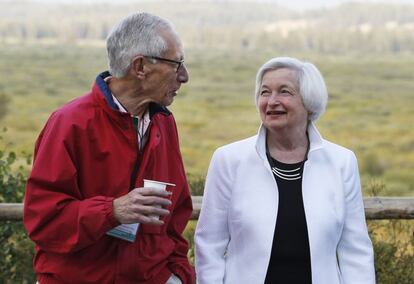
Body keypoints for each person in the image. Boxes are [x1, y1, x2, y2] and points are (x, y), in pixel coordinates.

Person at [23, 12, 195, 284]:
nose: (184, 76)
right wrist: (112, 211)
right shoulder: (69, 123)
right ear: (140, 67)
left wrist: (178, 275)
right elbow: (43, 221)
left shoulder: (164, 123)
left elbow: (177, 216)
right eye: (177, 64)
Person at [195, 57, 375, 284]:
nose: (271, 101)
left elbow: (356, 251)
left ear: (309, 103)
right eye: (264, 92)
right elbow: (209, 245)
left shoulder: (342, 162)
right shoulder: (228, 160)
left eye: (284, 92)